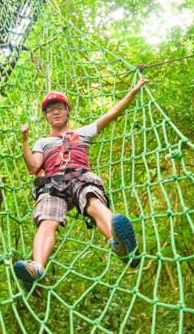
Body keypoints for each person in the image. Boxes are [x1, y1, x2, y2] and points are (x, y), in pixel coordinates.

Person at [14, 80, 149, 295]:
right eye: (50, 110)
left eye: (59, 108)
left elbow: (112, 113)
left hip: (80, 176)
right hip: (52, 183)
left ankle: (119, 244)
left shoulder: (84, 133)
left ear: (67, 112)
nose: (55, 112)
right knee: (47, 221)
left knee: (93, 201)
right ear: (46, 116)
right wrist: (25, 141)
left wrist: (132, 93)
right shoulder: (42, 141)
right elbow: (33, 167)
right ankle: (37, 268)